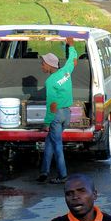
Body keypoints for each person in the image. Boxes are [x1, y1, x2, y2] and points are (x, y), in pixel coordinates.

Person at [37, 38, 78, 184]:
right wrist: (71, 46)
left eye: (42, 64)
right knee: (50, 141)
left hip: (56, 115)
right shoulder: (66, 72)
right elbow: (73, 59)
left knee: (57, 145)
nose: (41, 66)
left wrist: (47, 122)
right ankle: (44, 171)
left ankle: (63, 176)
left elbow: (52, 104)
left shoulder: (50, 81)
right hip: (67, 114)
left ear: (49, 65)